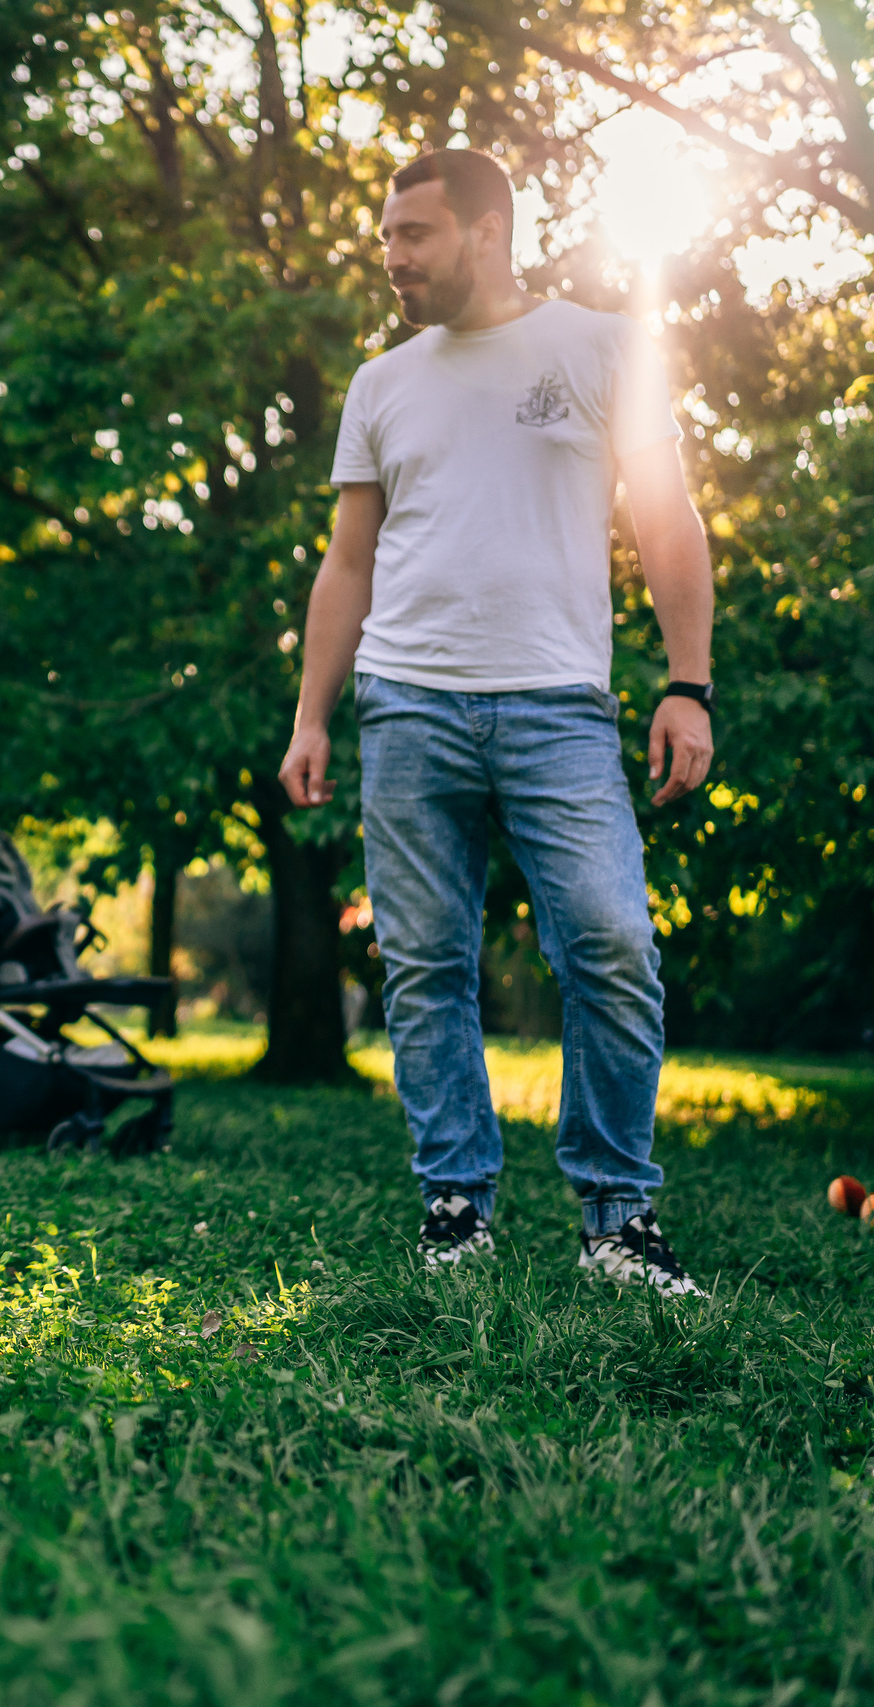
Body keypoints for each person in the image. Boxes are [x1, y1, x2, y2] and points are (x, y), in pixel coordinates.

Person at [276, 151, 716, 1295]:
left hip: (557, 706)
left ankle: (616, 1219)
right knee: (424, 967)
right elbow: (347, 561)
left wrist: (688, 681)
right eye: (385, 237)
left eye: (412, 235)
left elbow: (664, 517)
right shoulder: (381, 381)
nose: (391, 258)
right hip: (406, 703)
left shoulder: (601, 347)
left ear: (484, 233)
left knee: (612, 945)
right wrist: (310, 714)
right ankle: (455, 1202)